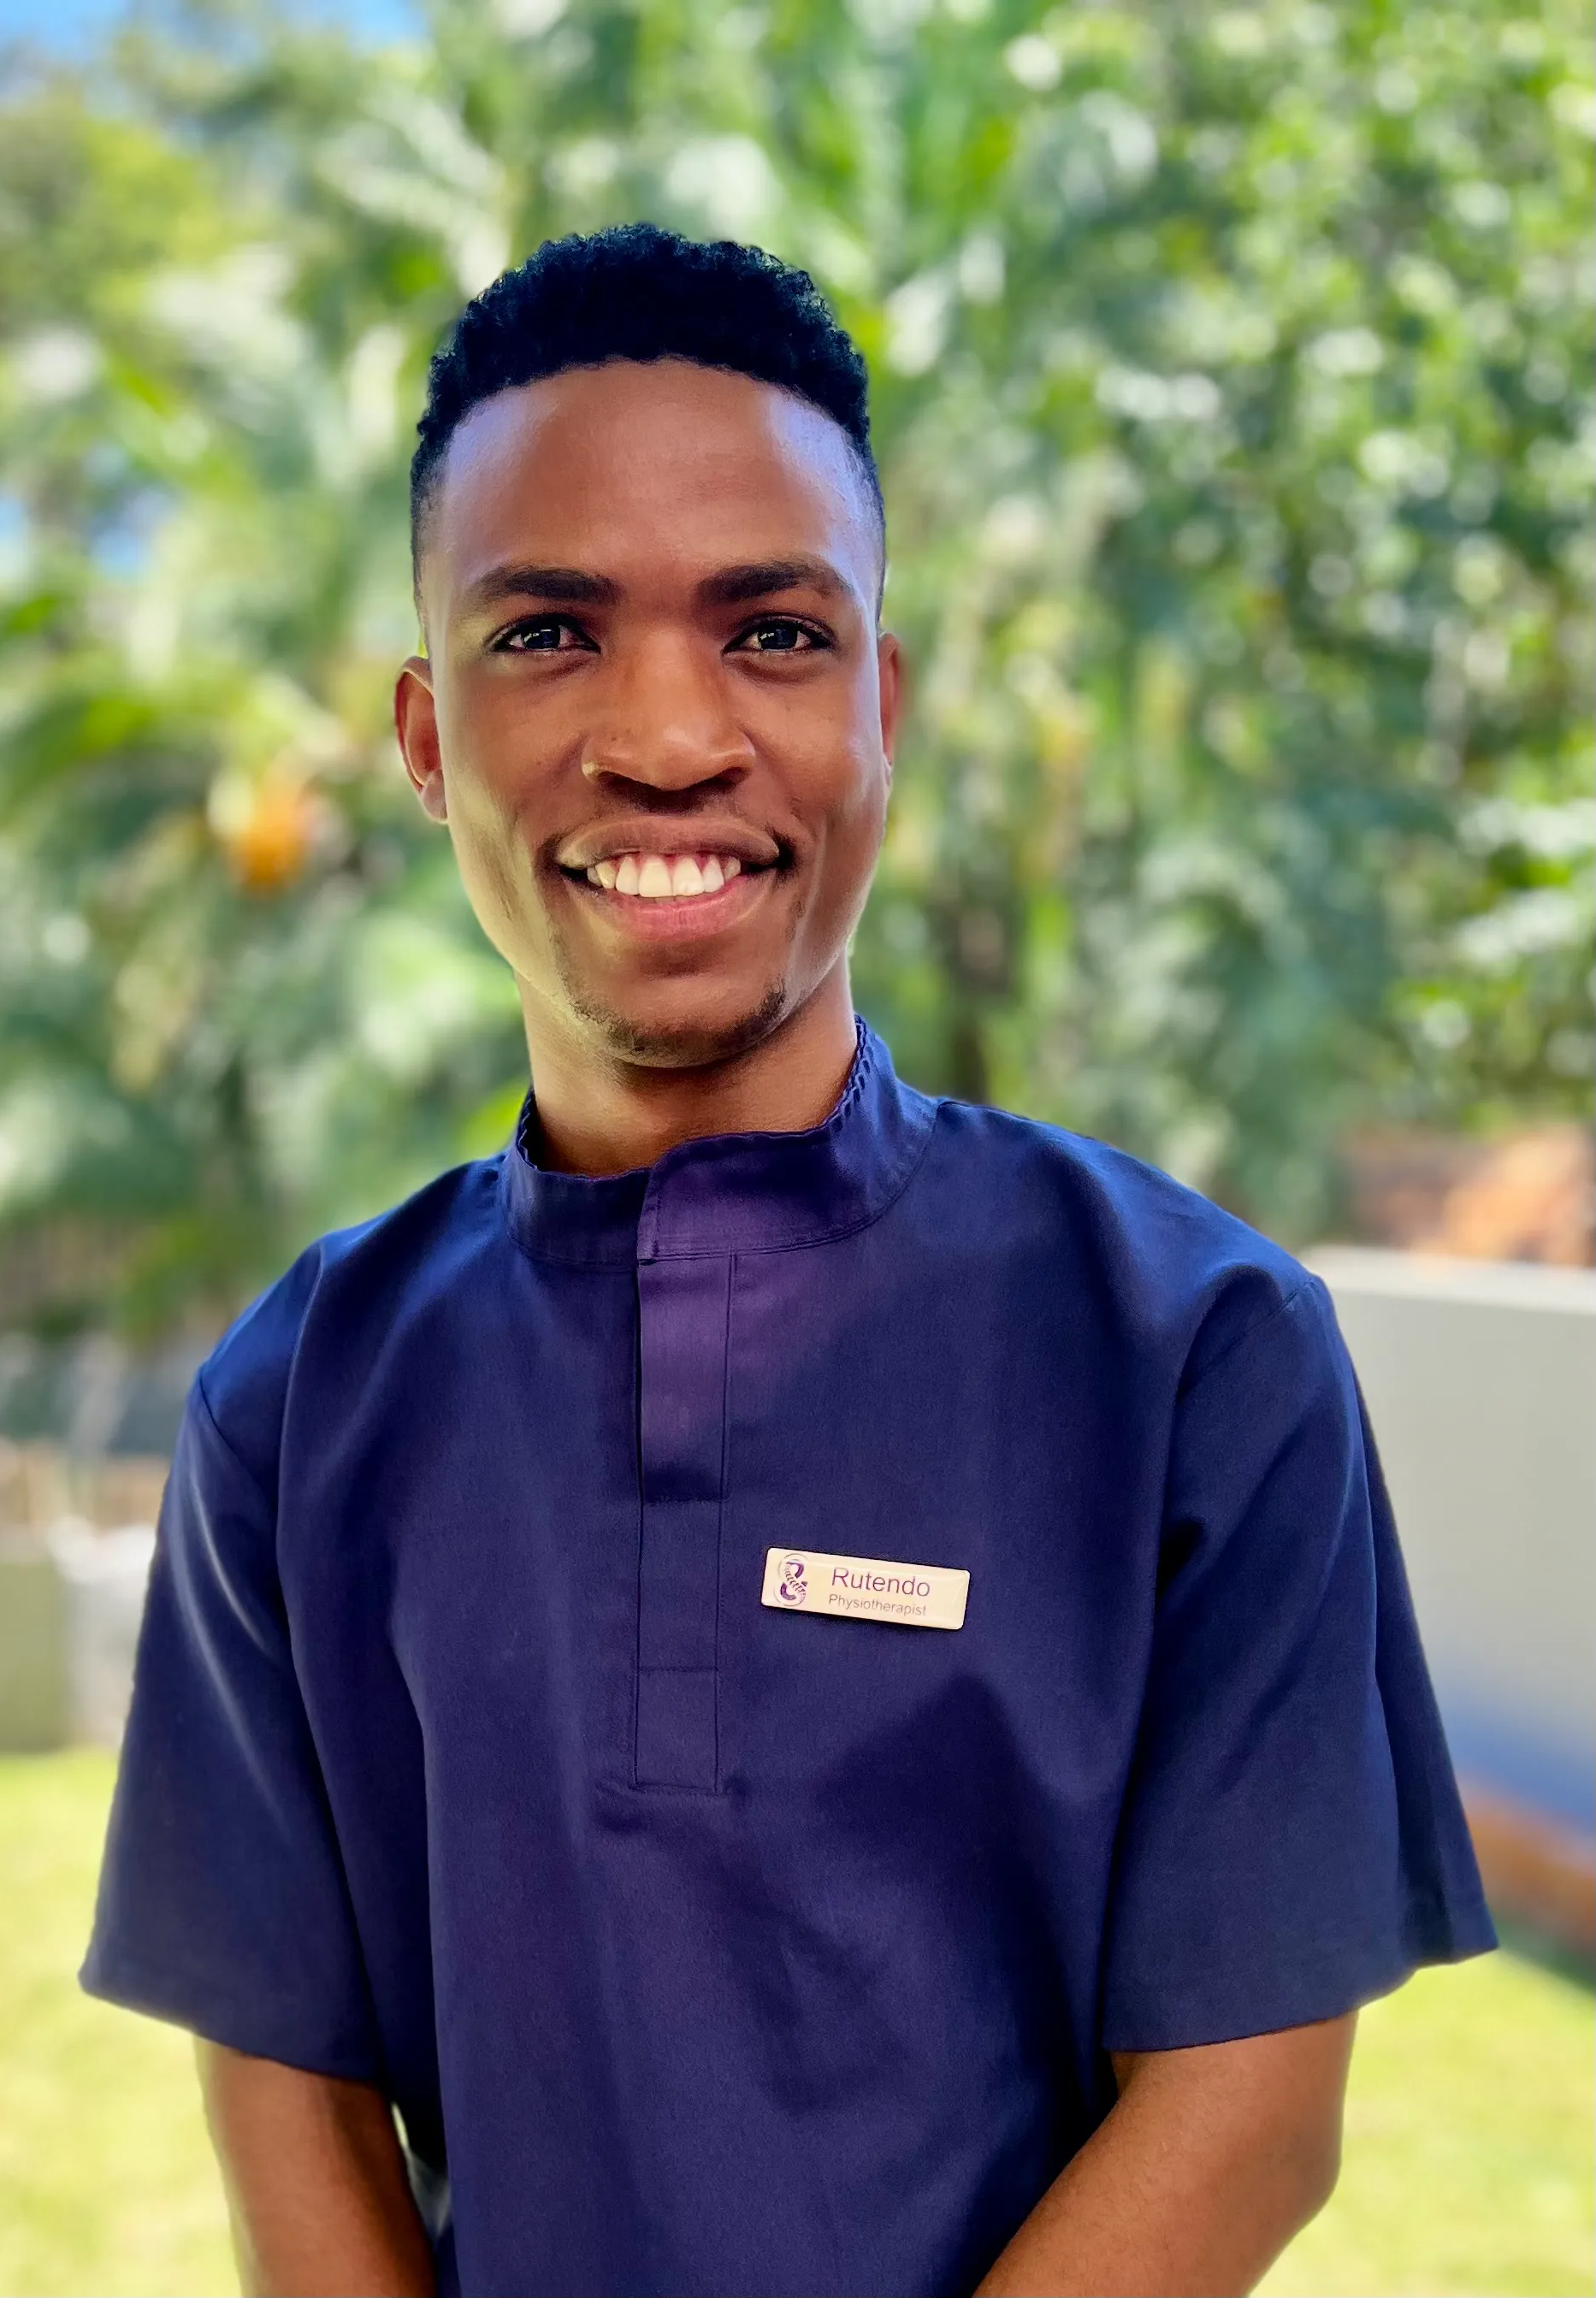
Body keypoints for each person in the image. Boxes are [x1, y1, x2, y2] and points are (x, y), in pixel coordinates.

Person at [81, 225, 1493, 2298]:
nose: (666, 736)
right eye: (547, 632)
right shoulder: (297, 1399)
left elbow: (1247, 2108)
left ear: (878, 707)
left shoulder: (1194, 1350)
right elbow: (288, 2100)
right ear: (423, 736)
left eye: (769, 632)